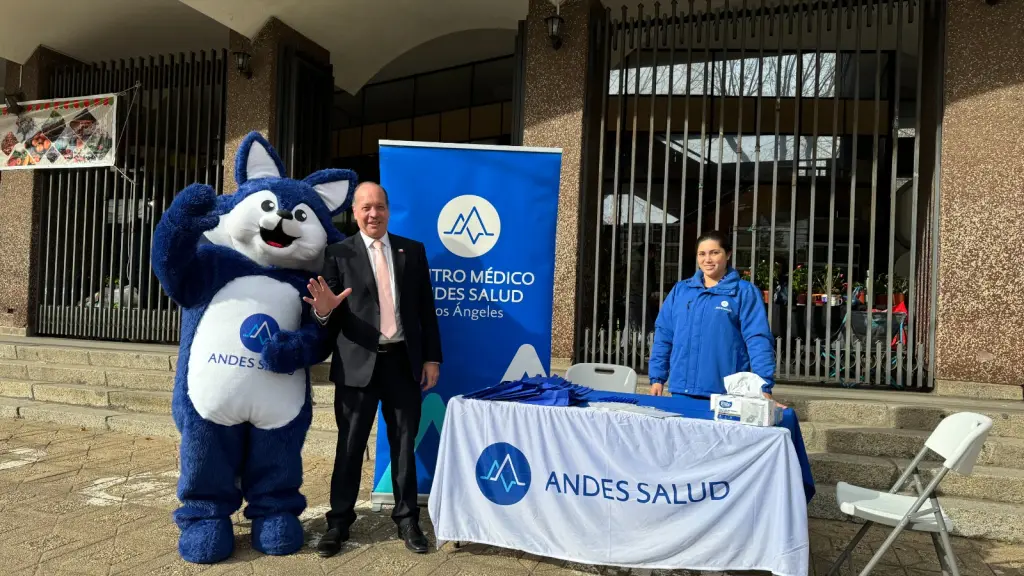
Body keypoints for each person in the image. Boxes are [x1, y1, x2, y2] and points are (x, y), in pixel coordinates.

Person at [303, 181, 442, 557]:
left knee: (403, 445)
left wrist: (432, 358)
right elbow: (324, 315)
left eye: (379, 206)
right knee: (349, 447)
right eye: (365, 207)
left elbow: (426, 311)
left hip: (402, 363)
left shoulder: (411, 252)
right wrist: (325, 309)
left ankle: (408, 521)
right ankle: (339, 524)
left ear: (388, 209)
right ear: (355, 211)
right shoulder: (338, 253)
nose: (373, 214)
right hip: (356, 366)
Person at [648, 230, 777, 403]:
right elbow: (664, 335)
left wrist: (763, 385)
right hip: (681, 389)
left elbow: (757, 339)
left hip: (726, 393)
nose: (707, 260)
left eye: (714, 253)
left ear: (728, 254)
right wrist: (657, 378)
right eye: (702, 254)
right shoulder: (681, 291)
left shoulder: (744, 292)